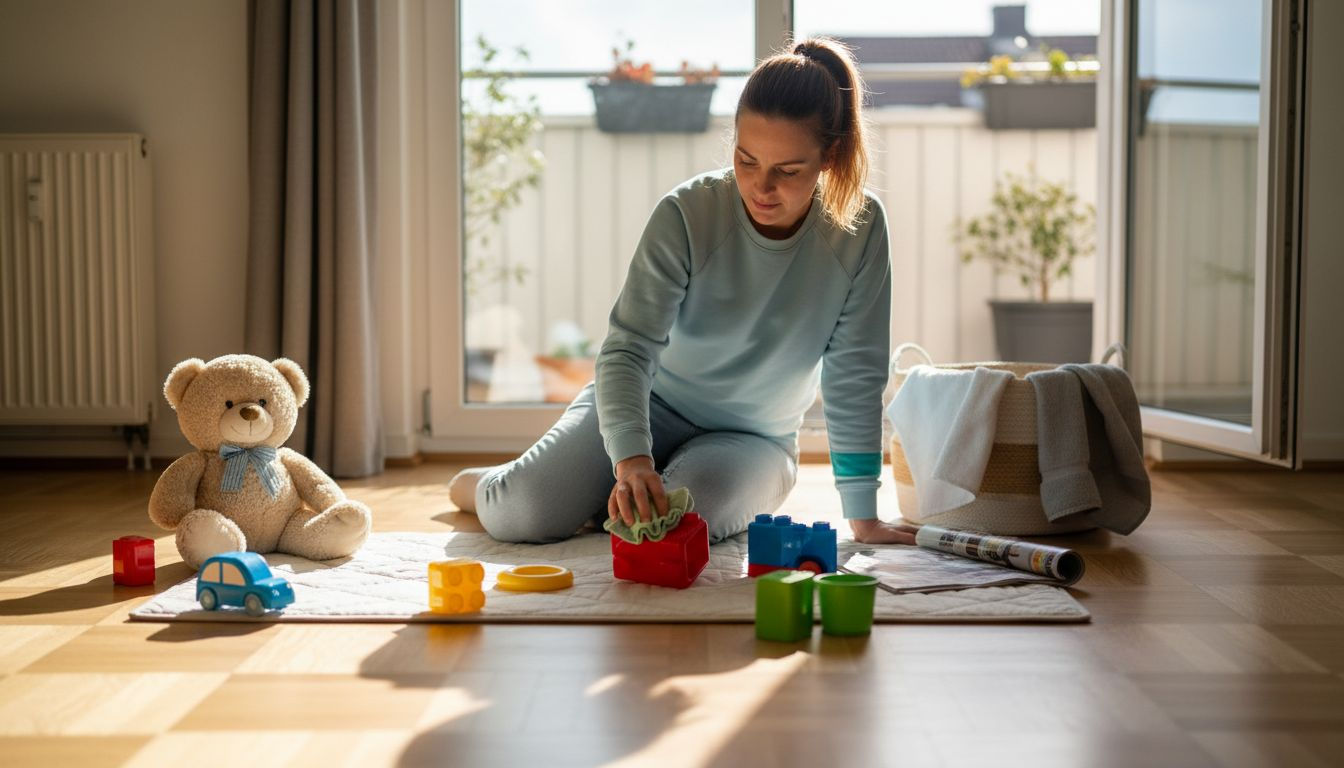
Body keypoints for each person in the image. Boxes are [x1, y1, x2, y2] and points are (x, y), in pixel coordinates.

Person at [450, 38, 916, 547]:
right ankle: (493, 484)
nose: (761, 188)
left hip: (753, 442)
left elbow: (854, 373)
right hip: (653, 401)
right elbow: (628, 348)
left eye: (787, 171)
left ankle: (601, 489)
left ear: (829, 156)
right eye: (746, 159)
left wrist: (863, 516)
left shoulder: (860, 226)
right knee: (524, 513)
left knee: (668, 532)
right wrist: (630, 460)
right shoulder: (686, 213)